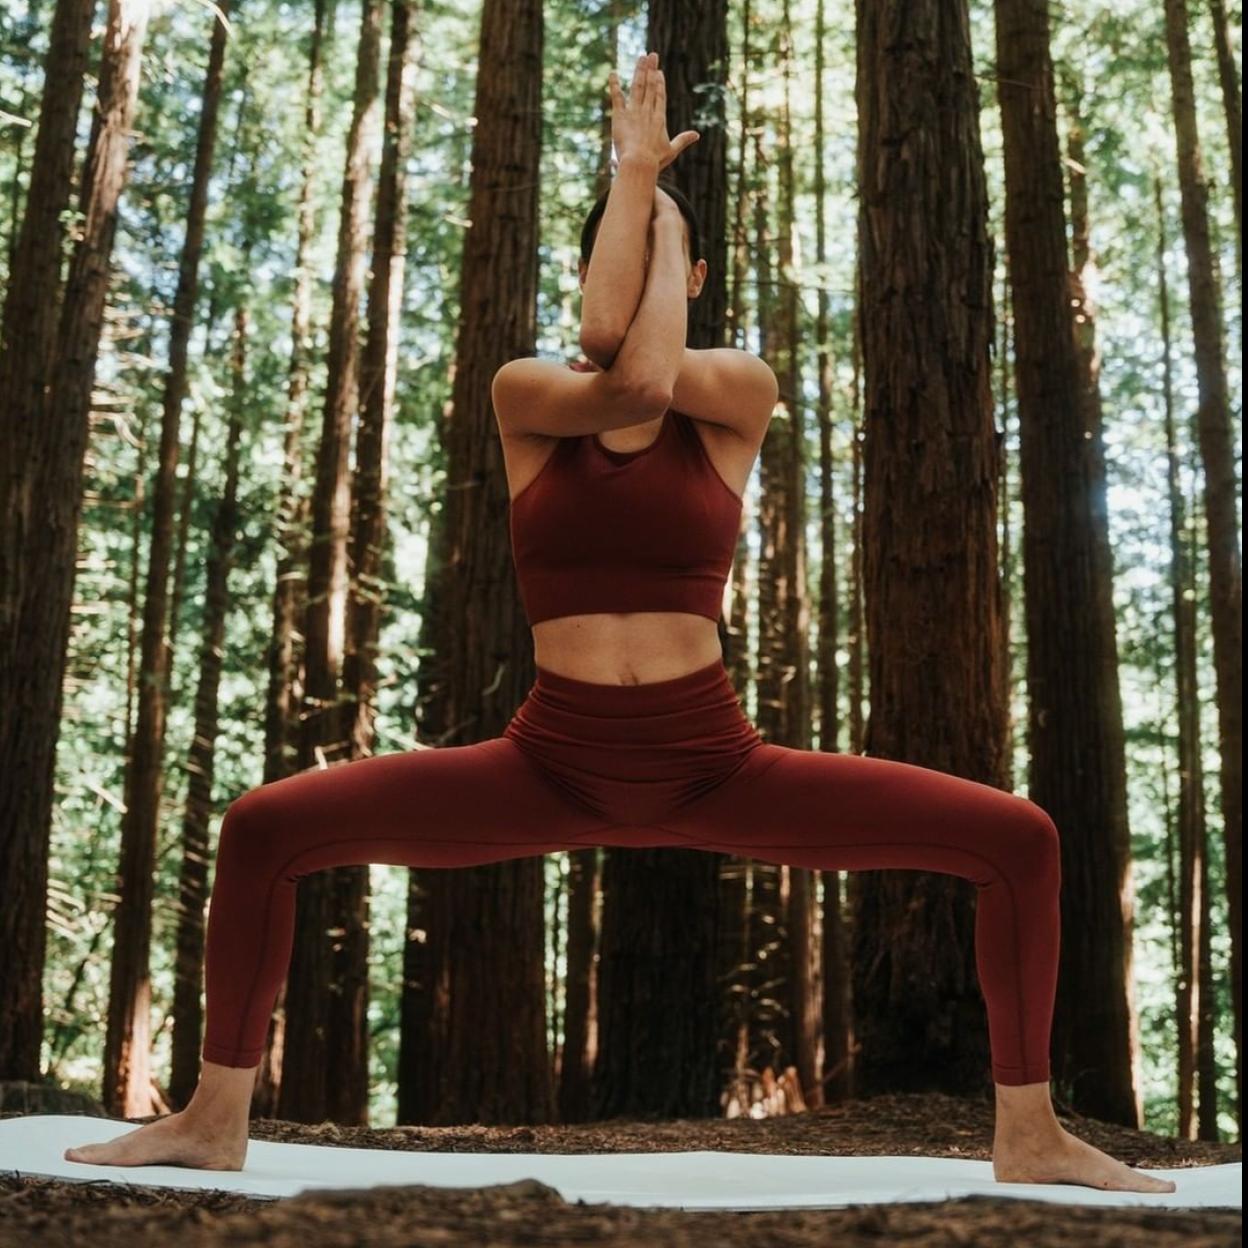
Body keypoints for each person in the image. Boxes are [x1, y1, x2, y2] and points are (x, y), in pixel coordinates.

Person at [66, 52, 1175, 1196]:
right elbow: (616, 368)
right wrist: (635, 184)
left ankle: (1029, 1130)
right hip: (551, 763)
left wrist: (642, 197)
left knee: (1023, 840)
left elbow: (647, 377)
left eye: (656, 248)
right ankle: (212, 1118)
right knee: (261, 828)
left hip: (713, 764)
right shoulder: (526, 398)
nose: (636, 258)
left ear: (690, 273)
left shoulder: (737, 389)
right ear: (593, 263)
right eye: (616, 239)